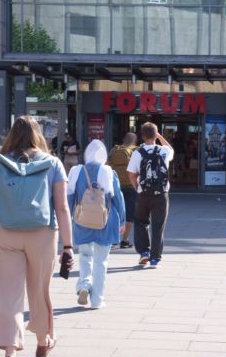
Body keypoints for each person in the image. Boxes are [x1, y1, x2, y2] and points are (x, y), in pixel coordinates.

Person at [0, 116, 73, 357]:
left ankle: (10, 353)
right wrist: (68, 245)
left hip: (6, 233)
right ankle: (43, 342)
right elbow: (62, 207)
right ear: (38, 134)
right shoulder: (53, 163)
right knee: (39, 290)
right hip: (42, 234)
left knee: (7, 292)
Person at [68, 140, 126, 309]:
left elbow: (69, 196)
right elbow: (118, 199)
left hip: (82, 220)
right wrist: (122, 220)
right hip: (104, 221)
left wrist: (69, 216)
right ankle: (97, 300)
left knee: (85, 256)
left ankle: (84, 285)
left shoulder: (76, 171)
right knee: (101, 261)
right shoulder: (108, 172)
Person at [127, 122, 174, 268]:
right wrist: (160, 136)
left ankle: (144, 253)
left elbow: (132, 174)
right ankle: (155, 259)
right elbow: (171, 149)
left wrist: (137, 187)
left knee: (141, 222)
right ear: (155, 135)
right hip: (161, 194)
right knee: (158, 226)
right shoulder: (164, 151)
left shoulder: (137, 152)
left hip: (143, 194)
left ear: (142, 136)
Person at [108, 133, 138, 249]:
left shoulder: (114, 150)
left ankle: (113, 240)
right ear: (134, 141)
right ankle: (124, 240)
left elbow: (107, 164)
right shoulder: (136, 151)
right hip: (131, 185)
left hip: (116, 185)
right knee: (129, 213)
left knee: (114, 212)